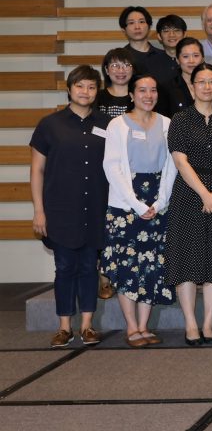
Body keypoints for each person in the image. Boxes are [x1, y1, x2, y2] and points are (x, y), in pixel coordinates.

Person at [30, 65, 113, 348]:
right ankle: (64, 326)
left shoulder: (107, 124)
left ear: (96, 91)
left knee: (90, 266)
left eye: (91, 87)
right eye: (80, 86)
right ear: (69, 89)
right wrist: (39, 210)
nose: (85, 92)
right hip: (60, 209)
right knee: (64, 267)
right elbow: (36, 171)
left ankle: (88, 326)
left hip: (97, 207)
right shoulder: (49, 124)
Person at [102, 74, 177, 347]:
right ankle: (131, 327)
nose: (148, 95)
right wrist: (136, 204)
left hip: (158, 201)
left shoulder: (168, 124)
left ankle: (145, 326)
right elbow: (112, 167)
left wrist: (158, 203)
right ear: (131, 95)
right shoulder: (117, 125)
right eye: (142, 90)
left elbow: (172, 167)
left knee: (152, 266)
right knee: (127, 266)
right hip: (125, 203)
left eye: (153, 90)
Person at [166, 63, 212, 346]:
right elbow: (180, 161)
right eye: (202, 82)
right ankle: (191, 324)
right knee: (187, 260)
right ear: (192, 86)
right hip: (188, 194)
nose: (207, 86)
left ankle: (208, 322)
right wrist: (204, 195)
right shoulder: (180, 120)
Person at [156, 37, 204, 117]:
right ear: (178, 60)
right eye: (185, 56)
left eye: (196, 55)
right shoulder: (166, 88)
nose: (191, 61)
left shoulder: (211, 85)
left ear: (202, 59)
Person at [118, 6, 165, 76]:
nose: (137, 27)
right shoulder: (119, 58)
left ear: (149, 27)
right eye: (131, 23)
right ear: (123, 30)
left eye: (141, 22)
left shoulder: (163, 56)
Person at [95, 48, 134, 117]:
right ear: (107, 70)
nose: (121, 71)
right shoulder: (96, 97)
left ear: (133, 69)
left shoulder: (139, 97)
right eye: (115, 66)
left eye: (126, 65)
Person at [151, 14, 187, 84]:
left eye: (176, 30)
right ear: (159, 36)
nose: (172, 35)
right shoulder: (151, 63)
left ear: (184, 34)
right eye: (166, 31)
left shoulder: (193, 60)